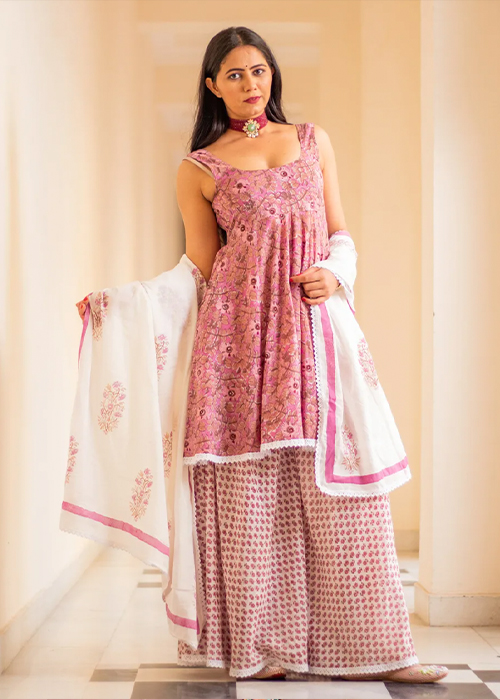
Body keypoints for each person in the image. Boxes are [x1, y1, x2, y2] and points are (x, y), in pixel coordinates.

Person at [76, 25, 448, 685]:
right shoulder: (199, 168)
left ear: (272, 75)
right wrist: (120, 305)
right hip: (236, 346)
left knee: (345, 497)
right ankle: (260, 650)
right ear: (213, 85)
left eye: (259, 71)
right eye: (235, 74)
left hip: (311, 336)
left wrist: (335, 273)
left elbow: (339, 232)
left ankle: (387, 651)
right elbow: (197, 268)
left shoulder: (311, 141)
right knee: (249, 497)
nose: (251, 84)